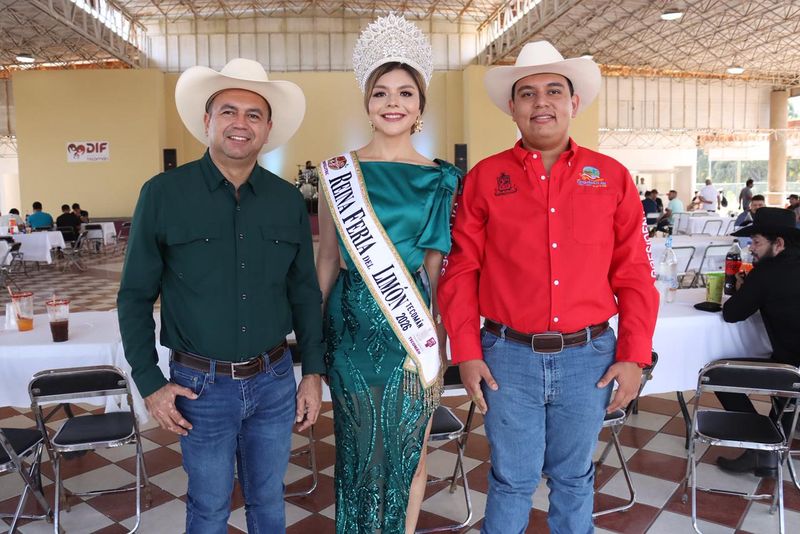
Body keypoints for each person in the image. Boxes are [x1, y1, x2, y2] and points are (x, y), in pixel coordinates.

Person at [438, 41, 658, 534]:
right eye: (528, 93)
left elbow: (635, 275)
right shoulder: (484, 179)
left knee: (575, 480)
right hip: (506, 359)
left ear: (573, 103)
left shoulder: (614, 179)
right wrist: (467, 351)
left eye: (554, 91)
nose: (542, 102)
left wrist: (633, 354)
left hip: (590, 359)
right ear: (512, 108)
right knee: (512, 480)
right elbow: (461, 270)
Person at [117, 58, 324, 534]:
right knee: (209, 508)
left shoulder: (286, 199)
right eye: (228, 110)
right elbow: (133, 297)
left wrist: (312, 372)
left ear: (268, 129)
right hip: (199, 387)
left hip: (274, 382)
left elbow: (304, 293)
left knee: (269, 501)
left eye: (254, 114)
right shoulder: (163, 194)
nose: (240, 123)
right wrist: (150, 382)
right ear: (207, 122)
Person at [315, 14, 459, 534]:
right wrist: (312, 335)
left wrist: (440, 333)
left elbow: (436, 264)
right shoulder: (338, 172)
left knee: (409, 454)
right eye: (380, 93)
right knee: (355, 452)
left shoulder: (440, 179)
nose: (392, 102)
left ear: (420, 106)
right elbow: (328, 259)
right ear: (367, 104)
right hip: (349, 330)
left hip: (412, 333)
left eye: (404, 92)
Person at [714, 208, 800, 478]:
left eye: (757, 242)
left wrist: (744, 287)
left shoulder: (767, 272)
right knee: (787, 383)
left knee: (718, 375)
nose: (751, 248)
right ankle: (772, 454)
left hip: (791, 370)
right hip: (793, 371)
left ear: (779, 244)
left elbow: (732, 314)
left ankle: (758, 449)